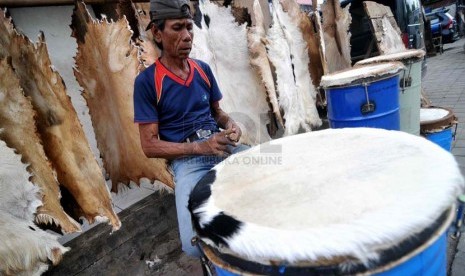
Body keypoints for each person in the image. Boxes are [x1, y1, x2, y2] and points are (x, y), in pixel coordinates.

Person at [133, 0, 249, 258]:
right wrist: (198, 147)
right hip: (188, 162)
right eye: (177, 28)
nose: (187, 36)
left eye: (189, 27)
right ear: (157, 33)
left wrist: (231, 125)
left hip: (222, 146)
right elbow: (149, 145)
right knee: (193, 243)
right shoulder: (147, 82)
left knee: (270, 184)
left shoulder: (202, 70)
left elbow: (218, 113)